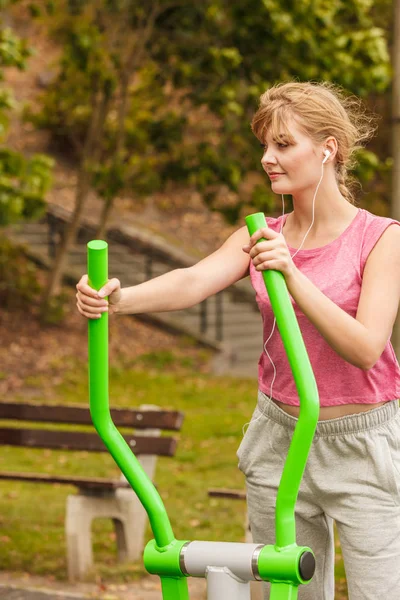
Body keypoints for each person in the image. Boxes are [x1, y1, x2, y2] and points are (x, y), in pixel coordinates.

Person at [76, 81, 400, 599]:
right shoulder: (262, 234)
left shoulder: (380, 238)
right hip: (280, 436)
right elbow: (192, 281)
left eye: (284, 144)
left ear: (328, 148)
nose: (269, 159)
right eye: (265, 147)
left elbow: (365, 347)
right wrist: (118, 299)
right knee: (284, 595)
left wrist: (293, 276)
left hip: (361, 444)